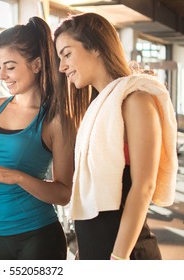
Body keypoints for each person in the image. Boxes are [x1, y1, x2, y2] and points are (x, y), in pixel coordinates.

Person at [53, 12, 178, 260]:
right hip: (96, 251)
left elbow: (144, 186)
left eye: (67, 54)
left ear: (96, 47)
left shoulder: (136, 100)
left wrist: (118, 259)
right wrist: (83, 249)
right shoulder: (100, 108)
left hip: (126, 253)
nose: (62, 66)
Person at [0, 16, 76, 260]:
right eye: (0, 67)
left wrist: (17, 177)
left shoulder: (55, 120)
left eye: (10, 67)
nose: (3, 75)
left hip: (37, 234)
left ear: (37, 64)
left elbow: (64, 193)